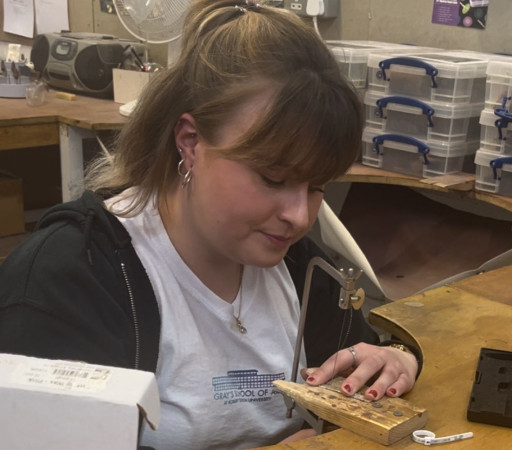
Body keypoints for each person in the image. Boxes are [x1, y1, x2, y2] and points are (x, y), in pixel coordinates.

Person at [0, 1, 421, 448]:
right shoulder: (72, 278)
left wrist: (397, 357)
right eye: (273, 178)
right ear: (191, 143)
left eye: (318, 186)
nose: (300, 216)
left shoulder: (295, 266)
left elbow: (362, 358)